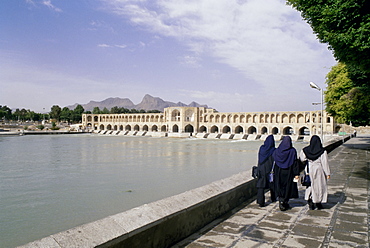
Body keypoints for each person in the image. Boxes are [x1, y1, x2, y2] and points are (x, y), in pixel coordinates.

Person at [299, 135, 330, 210]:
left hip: (309, 169)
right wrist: (327, 173)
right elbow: (324, 163)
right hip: (319, 169)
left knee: (310, 185)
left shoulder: (305, 150)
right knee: (319, 186)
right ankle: (318, 201)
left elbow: (302, 159)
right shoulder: (322, 151)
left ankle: (310, 199)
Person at [272, 136, 300, 211]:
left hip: (279, 171)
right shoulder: (292, 151)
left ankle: (281, 200)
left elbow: (274, 159)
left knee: (280, 186)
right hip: (289, 172)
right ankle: (285, 202)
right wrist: (296, 173)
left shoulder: (277, 151)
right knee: (287, 187)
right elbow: (295, 163)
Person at [256, 135, 276, 207]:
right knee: (272, 184)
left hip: (261, 170)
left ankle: (260, 201)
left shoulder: (262, 148)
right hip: (270, 170)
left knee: (261, 186)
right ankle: (273, 198)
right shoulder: (273, 150)